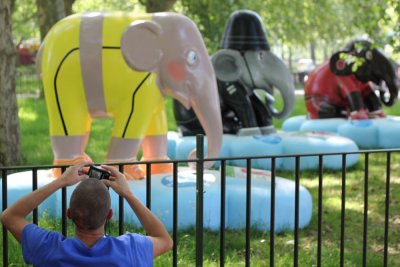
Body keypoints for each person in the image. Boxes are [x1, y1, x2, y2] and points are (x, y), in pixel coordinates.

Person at [0, 162, 173, 266]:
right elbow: (165, 240)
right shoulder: (130, 249)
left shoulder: (48, 248)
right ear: (109, 215)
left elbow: (10, 216)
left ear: (69, 213)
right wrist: (129, 194)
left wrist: (59, 182)